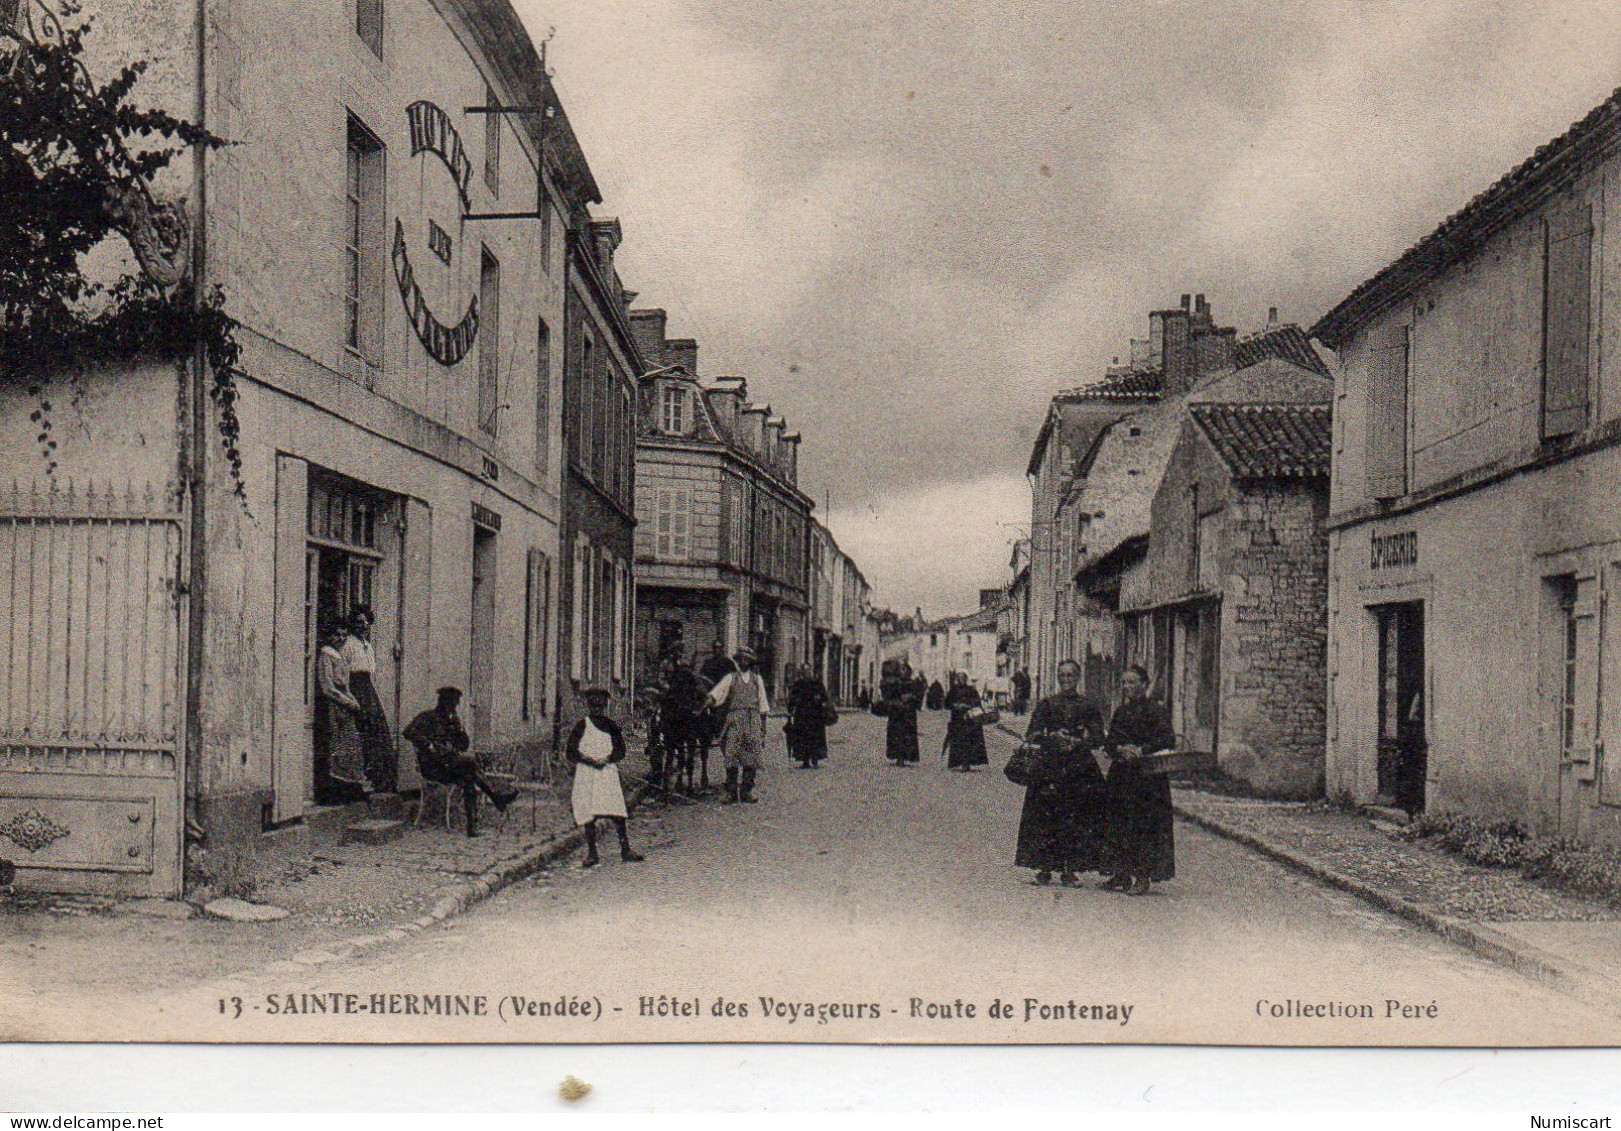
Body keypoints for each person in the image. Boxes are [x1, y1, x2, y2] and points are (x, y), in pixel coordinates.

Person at [1014, 658, 1108, 887]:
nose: (1066, 680)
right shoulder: (1047, 703)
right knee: (1044, 816)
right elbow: (1032, 733)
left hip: (1078, 767)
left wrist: (1077, 742)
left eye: (1071, 675)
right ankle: (1044, 869)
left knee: (1076, 817)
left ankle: (1071, 870)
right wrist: (1051, 738)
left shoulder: (1088, 705)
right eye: (1062, 675)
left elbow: (1098, 738)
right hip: (1050, 766)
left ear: (1078, 678)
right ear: (1058, 677)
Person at [1101, 664, 1178, 895]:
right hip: (1122, 775)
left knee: (1144, 825)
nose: (1127, 687)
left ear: (1144, 685)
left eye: (1132, 682)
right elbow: (1110, 741)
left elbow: (1168, 739)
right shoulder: (1121, 712)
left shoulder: (1156, 711)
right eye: (1124, 682)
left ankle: (1143, 877)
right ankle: (1121, 874)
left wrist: (1141, 749)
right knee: (1119, 823)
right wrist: (1118, 750)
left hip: (1147, 778)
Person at [402, 687, 518, 838]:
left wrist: (460, 729)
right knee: (470, 763)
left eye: (455, 705)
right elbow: (408, 732)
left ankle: (472, 827)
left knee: (469, 778)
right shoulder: (427, 717)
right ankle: (496, 798)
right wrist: (428, 744)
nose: (454, 708)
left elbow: (464, 746)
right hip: (432, 768)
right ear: (442, 702)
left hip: (450, 768)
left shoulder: (452, 721)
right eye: (452, 704)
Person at [565, 685, 644, 867]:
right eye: (594, 707)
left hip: (607, 772)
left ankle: (625, 849)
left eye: (600, 707)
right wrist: (589, 760)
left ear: (605, 707)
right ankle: (592, 853)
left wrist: (608, 758)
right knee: (588, 812)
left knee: (617, 811)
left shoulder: (611, 726)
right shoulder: (581, 726)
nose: (597, 710)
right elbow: (570, 751)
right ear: (589, 706)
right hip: (586, 773)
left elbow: (621, 750)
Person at [342, 606, 397, 793]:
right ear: (353, 624)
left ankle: (378, 779)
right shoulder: (348, 643)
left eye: (366, 622)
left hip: (367, 689)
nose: (363, 626)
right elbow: (344, 672)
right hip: (354, 687)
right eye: (359, 622)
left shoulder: (368, 645)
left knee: (377, 731)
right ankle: (361, 778)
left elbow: (370, 671)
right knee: (361, 731)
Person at [706, 648, 771, 803]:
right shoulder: (731, 678)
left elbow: (763, 703)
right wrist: (709, 700)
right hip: (735, 718)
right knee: (732, 754)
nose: (743, 662)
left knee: (752, 754)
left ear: (751, 661)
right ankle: (731, 792)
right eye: (740, 659)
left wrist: (763, 725)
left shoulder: (757, 680)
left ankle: (747, 790)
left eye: (746, 659)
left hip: (752, 718)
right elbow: (718, 693)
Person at [314, 622, 368, 804]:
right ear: (329, 635)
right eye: (337, 635)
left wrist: (353, 701)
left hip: (344, 707)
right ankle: (332, 792)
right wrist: (347, 702)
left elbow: (345, 685)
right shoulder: (326, 655)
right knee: (335, 748)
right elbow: (328, 686)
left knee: (349, 749)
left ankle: (349, 790)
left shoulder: (340, 656)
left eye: (345, 635)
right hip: (333, 706)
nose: (341, 639)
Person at [657, 654, 706, 791]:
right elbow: (665, 694)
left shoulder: (693, 681)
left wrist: (697, 708)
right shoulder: (673, 678)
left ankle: (688, 780)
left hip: (688, 717)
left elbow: (702, 694)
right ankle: (670, 780)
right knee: (672, 748)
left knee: (689, 747)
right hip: (675, 717)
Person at [785, 662, 835, 768]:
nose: (806, 673)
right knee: (803, 738)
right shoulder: (798, 684)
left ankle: (815, 758)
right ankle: (805, 760)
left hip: (815, 716)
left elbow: (824, 697)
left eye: (808, 670)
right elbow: (792, 699)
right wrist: (790, 711)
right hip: (802, 716)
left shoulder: (817, 683)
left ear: (810, 671)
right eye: (804, 671)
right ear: (802, 672)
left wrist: (821, 701)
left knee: (815, 738)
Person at [875, 660, 923, 765]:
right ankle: (898, 757)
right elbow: (888, 696)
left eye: (905, 669)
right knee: (896, 734)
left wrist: (911, 697)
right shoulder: (893, 683)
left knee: (907, 735)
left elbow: (918, 697)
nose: (903, 671)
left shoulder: (912, 683)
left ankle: (906, 756)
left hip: (908, 713)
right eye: (901, 669)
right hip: (896, 712)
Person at [943, 671, 990, 772]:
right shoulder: (953, 690)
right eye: (959, 678)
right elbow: (947, 703)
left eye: (963, 677)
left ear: (966, 679)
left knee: (968, 742)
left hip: (968, 720)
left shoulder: (971, 689)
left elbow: (977, 701)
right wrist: (955, 705)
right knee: (957, 741)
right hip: (956, 719)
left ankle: (966, 763)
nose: (961, 680)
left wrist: (967, 705)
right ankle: (957, 762)